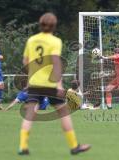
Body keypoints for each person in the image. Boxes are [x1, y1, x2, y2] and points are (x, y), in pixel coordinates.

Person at [18, 12, 91, 155]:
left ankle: (23, 146)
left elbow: (26, 62)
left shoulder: (31, 40)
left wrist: (30, 77)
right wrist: (59, 85)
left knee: (30, 114)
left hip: (34, 83)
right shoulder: (55, 41)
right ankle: (74, 146)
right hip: (50, 84)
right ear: (54, 26)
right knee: (64, 112)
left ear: (40, 24)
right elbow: (56, 64)